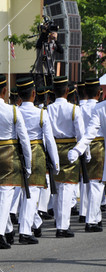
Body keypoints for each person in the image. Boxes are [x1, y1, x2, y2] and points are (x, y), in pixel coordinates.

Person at [0, 74, 32, 249]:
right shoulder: (13, 110)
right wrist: (28, 163)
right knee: (4, 195)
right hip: (10, 155)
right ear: (5, 91)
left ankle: (8, 230)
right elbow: (24, 140)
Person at [15, 77, 59, 244]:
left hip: (17, 153)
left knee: (24, 194)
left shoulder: (15, 111)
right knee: (31, 194)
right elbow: (49, 140)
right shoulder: (41, 113)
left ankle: (36, 222)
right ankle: (25, 232)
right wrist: (55, 162)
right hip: (37, 154)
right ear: (34, 93)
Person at [46, 76, 84, 238]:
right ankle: (62, 226)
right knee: (67, 188)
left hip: (53, 148)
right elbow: (81, 134)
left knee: (57, 187)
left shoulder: (48, 109)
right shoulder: (74, 109)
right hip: (70, 149)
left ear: (54, 92)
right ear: (68, 91)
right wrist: (83, 152)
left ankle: (59, 219)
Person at [68, 78, 104, 232]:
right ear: (99, 92)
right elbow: (89, 132)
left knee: (90, 183)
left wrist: (79, 149)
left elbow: (86, 133)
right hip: (99, 146)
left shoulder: (93, 108)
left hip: (88, 144)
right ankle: (91, 219)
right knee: (96, 185)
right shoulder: (99, 108)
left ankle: (90, 216)